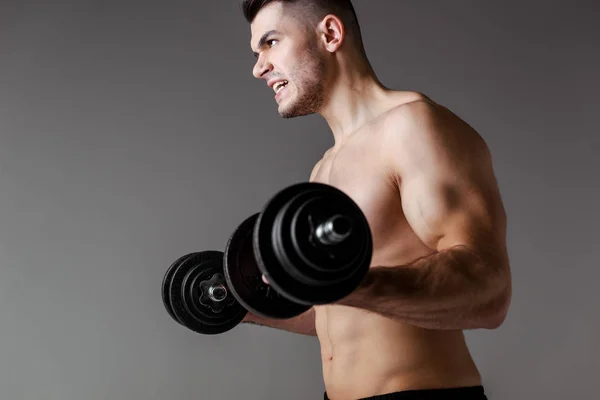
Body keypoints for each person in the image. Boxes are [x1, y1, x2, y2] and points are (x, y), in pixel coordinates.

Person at [239, 1, 512, 399]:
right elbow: (341, 311)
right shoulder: (323, 168)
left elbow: (489, 289)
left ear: (330, 34)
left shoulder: (412, 127)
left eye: (271, 42)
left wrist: (345, 285)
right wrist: (244, 302)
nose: (258, 67)